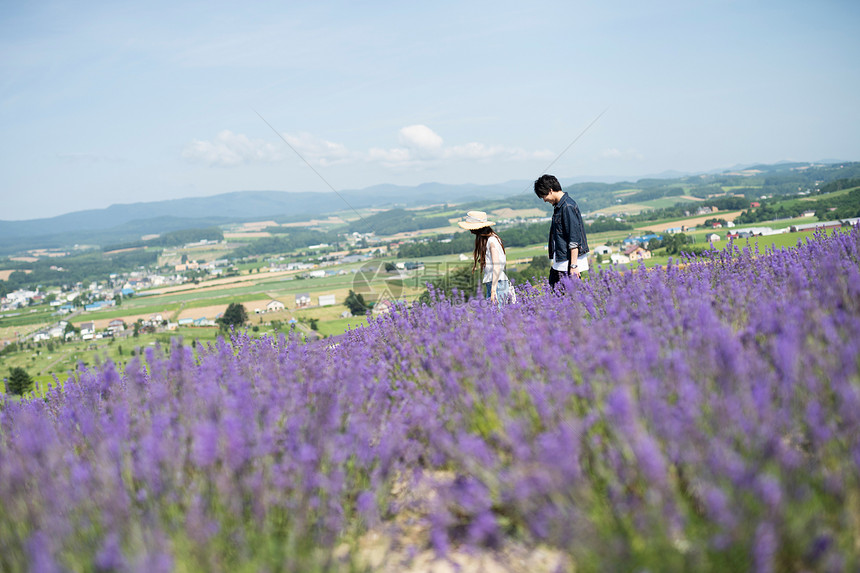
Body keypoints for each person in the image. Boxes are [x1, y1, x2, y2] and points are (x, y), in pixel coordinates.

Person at [533, 174, 590, 288]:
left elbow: (574, 238)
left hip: (567, 262)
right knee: (558, 292)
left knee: (566, 296)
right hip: (561, 260)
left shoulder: (567, 206)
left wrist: (573, 266)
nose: (544, 200)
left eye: (543, 196)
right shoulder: (560, 206)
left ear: (550, 190)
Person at [458, 211, 514, 305]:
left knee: (498, 315)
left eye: (471, 228)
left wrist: (493, 290)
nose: (470, 231)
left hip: (497, 284)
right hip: (495, 284)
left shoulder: (492, 241)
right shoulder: (489, 239)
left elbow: (497, 266)